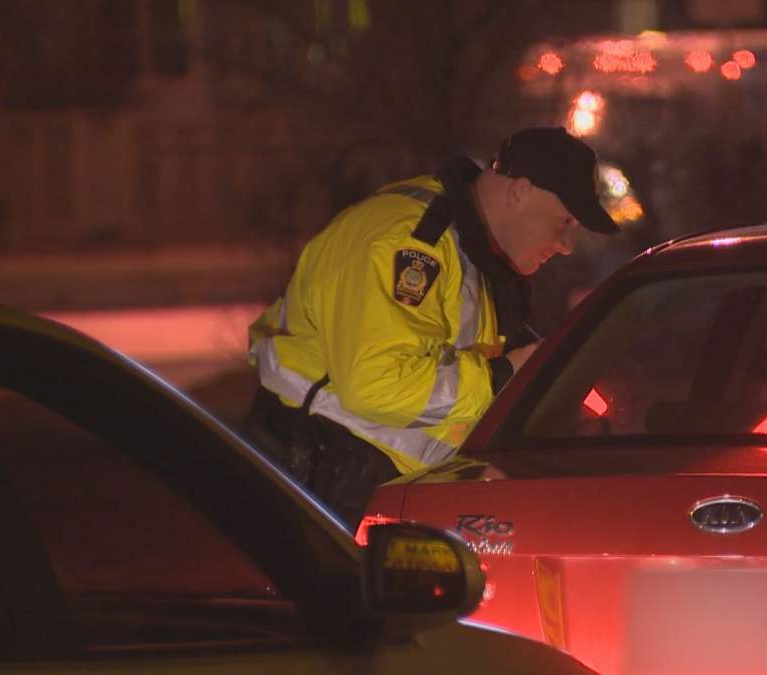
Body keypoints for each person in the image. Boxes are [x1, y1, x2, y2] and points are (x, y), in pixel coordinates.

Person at [244, 126, 619, 525]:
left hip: (378, 482)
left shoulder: (473, 249)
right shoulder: (409, 244)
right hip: (321, 474)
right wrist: (503, 376)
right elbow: (374, 384)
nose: (567, 245)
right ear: (520, 192)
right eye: (564, 221)